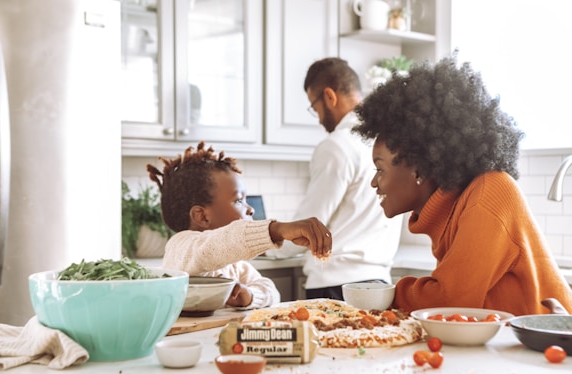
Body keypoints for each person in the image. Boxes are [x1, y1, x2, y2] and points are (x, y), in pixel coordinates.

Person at [352, 54, 572, 316]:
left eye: (380, 169)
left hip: (548, 349)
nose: (374, 182)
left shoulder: (490, 192)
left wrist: (387, 292)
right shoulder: (453, 208)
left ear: (418, 169)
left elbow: (448, 300)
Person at [265, 57, 403, 300]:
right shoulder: (386, 141)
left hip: (335, 287)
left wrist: (266, 245)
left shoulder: (336, 146)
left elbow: (308, 225)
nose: (318, 118)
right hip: (380, 286)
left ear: (330, 96)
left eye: (314, 107)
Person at [147, 141, 332, 310]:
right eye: (238, 201)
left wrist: (249, 296)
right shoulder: (180, 247)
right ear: (201, 216)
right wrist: (276, 230)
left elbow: (271, 291)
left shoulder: (235, 265)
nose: (250, 209)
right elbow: (215, 246)